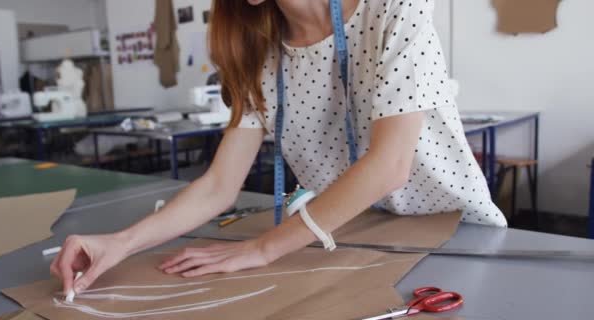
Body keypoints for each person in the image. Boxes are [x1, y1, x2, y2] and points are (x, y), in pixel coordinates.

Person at [51, 0, 507, 296]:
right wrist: (121, 242)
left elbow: (389, 165)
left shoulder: (395, 8)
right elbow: (218, 186)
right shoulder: (258, 53)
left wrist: (262, 249)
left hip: (457, 237)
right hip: (348, 235)